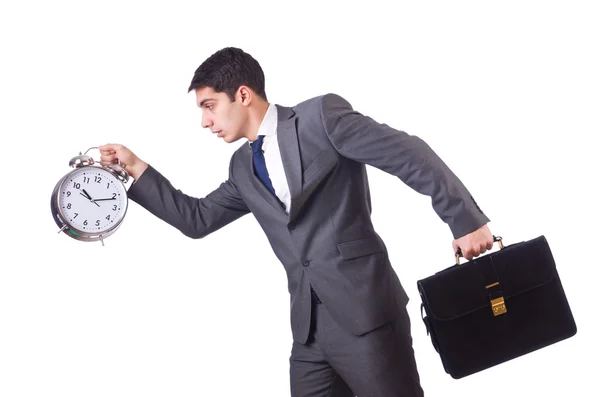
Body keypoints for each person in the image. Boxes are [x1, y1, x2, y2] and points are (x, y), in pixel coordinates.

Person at [99, 47, 493, 397]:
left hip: (366, 316)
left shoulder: (321, 118)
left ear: (242, 95)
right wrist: (136, 167)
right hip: (308, 335)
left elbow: (408, 154)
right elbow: (197, 219)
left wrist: (463, 219)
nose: (205, 121)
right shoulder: (242, 167)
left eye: (209, 105)